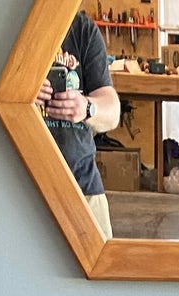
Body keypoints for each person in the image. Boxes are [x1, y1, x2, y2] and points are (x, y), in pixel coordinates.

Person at [36, 13, 123, 239]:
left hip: (82, 185)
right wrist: (20, 93)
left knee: (102, 267)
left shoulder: (82, 30)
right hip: (22, 185)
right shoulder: (11, 27)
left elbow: (112, 112)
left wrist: (86, 108)